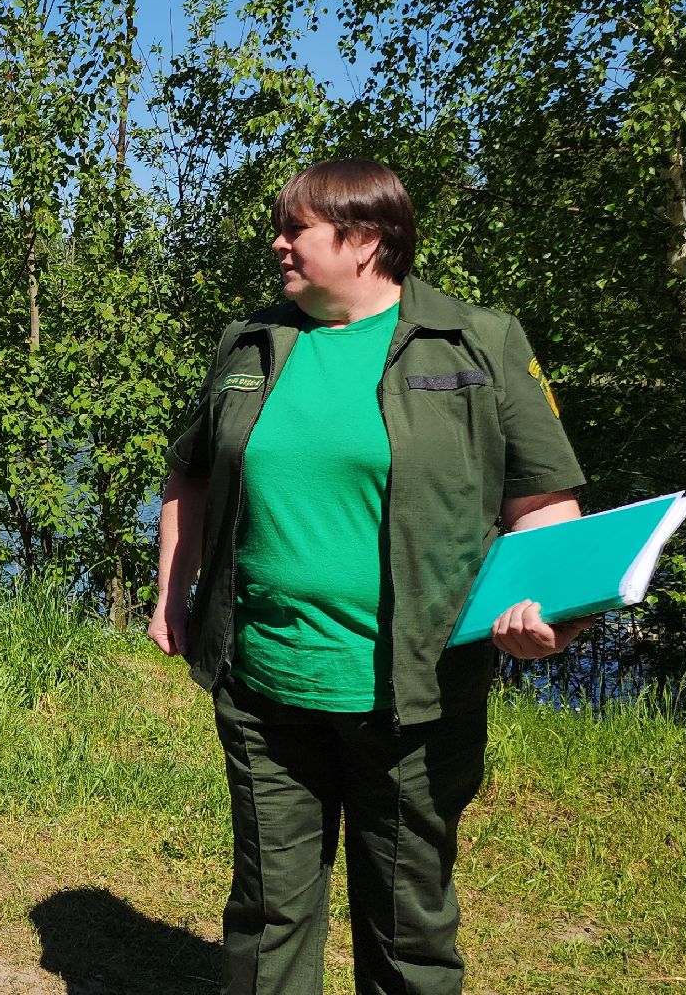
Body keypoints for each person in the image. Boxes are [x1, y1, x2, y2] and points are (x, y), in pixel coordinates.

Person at [147, 158, 588, 994]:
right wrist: (174, 590)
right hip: (264, 684)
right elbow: (189, 472)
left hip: (414, 693)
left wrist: (547, 616)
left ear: (365, 240)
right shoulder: (250, 343)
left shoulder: (479, 342)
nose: (276, 244)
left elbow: (541, 502)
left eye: (295, 229)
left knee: (408, 925)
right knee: (268, 914)